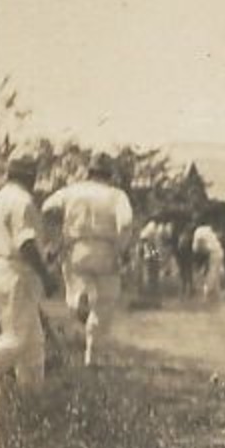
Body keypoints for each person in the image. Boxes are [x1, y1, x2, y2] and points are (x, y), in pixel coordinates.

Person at [42, 155, 134, 367]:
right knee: (103, 305)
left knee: (75, 292)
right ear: (109, 175)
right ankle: (91, 358)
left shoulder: (73, 190)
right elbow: (126, 223)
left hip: (76, 248)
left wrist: (56, 234)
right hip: (106, 250)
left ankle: (78, 302)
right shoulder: (116, 195)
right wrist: (121, 247)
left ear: (89, 172)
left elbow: (47, 207)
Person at [0, 160, 57, 392]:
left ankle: (31, 399)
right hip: (14, 272)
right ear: (31, 176)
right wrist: (45, 275)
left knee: (33, 342)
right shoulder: (22, 200)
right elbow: (25, 242)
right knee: (17, 337)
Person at [192, 220, 225, 301]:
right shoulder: (208, 230)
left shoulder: (200, 230)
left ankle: (208, 294)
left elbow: (199, 245)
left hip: (212, 253)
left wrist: (202, 252)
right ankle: (215, 294)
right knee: (214, 274)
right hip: (216, 252)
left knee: (212, 274)